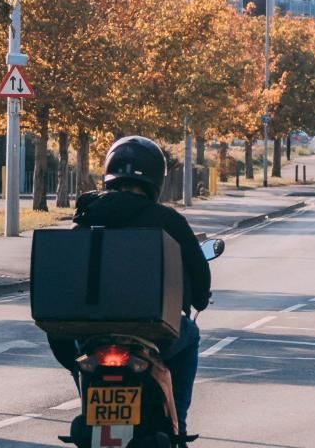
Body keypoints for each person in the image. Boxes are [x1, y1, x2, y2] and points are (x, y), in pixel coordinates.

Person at [47, 135, 212, 438]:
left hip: (90, 331)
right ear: (156, 177)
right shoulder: (168, 220)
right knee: (192, 336)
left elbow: (68, 269)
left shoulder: (86, 216)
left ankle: (90, 406)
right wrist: (200, 298)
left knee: (79, 360)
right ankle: (179, 429)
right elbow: (199, 271)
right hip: (152, 331)